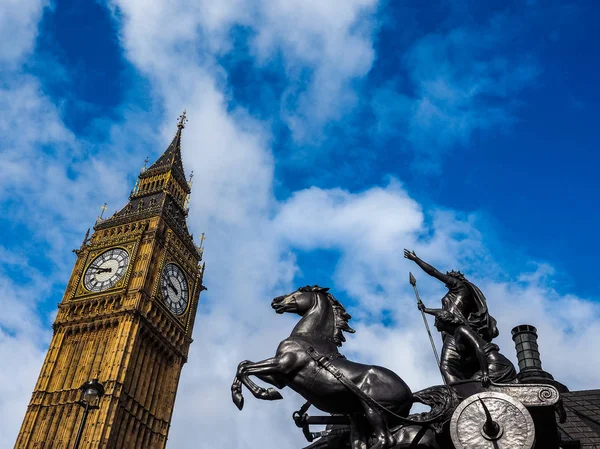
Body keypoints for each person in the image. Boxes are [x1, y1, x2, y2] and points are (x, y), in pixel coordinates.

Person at [404, 249, 499, 384]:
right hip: (450, 329)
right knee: (452, 367)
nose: (446, 280)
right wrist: (425, 309)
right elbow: (444, 313)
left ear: (456, 278)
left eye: (449, 277)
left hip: (456, 331)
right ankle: (460, 389)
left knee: (447, 365)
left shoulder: (459, 286)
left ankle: (456, 393)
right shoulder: (456, 293)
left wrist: (416, 259)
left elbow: (434, 272)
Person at [420, 306, 517, 385]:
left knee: (471, 385)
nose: (434, 324)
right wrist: (425, 310)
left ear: (443, 321)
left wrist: (485, 373)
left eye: (436, 321)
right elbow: (441, 312)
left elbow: (478, 347)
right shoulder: (456, 334)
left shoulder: (462, 330)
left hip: (496, 364)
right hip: (489, 364)